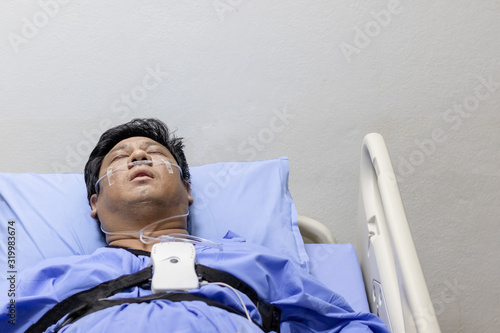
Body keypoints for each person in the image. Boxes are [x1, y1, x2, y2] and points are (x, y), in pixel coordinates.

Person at [0, 118, 389, 333]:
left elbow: (346, 325)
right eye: (120, 158)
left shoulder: (254, 261)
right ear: (94, 203)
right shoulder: (52, 277)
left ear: (188, 190)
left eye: (153, 153)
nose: (138, 154)